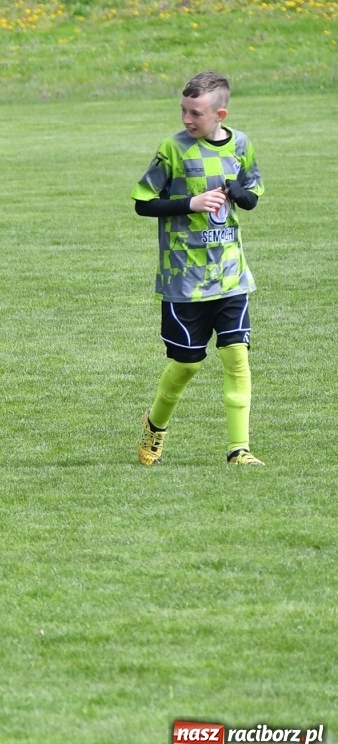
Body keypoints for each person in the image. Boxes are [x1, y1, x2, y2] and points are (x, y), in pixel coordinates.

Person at [131, 71, 265, 466]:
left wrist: (238, 192)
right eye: (183, 111)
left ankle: (238, 449)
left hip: (229, 275)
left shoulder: (241, 145)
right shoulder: (172, 149)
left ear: (219, 113)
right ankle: (155, 426)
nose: (187, 120)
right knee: (187, 364)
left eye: (196, 113)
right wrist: (189, 203)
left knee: (236, 356)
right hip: (183, 281)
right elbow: (142, 202)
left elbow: (252, 194)